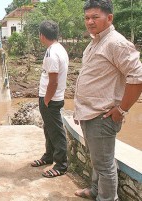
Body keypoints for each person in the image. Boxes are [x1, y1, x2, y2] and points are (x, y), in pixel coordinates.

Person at [74, 0, 142, 200]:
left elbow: (137, 79)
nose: (90, 22)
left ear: (109, 17)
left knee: (104, 166)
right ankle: (95, 191)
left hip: (102, 117)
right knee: (98, 160)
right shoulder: (96, 41)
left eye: (95, 17)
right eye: (87, 18)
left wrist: (121, 110)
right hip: (90, 113)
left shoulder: (116, 42)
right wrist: (79, 110)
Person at [30, 20, 69, 178]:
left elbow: (53, 82)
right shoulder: (58, 48)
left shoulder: (52, 53)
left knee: (56, 131)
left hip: (51, 100)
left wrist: (46, 100)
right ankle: (49, 156)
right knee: (49, 128)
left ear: (41, 35)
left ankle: (61, 165)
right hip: (51, 98)